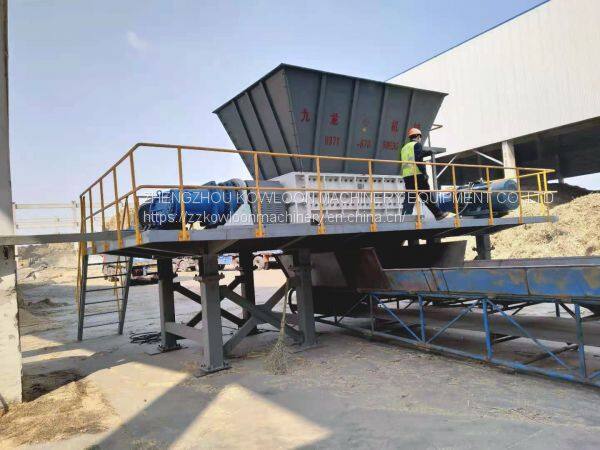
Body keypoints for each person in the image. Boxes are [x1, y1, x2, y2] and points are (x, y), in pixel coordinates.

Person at [400, 128, 448, 220]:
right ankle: (438, 214)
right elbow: (418, 159)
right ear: (418, 136)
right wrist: (424, 173)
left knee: (410, 196)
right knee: (426, 195)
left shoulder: (404, 148)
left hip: (407, 176)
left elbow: (415, 155)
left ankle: (405, 216)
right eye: (420, 137)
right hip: (417, 174)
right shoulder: (417, 145)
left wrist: (429, 152)